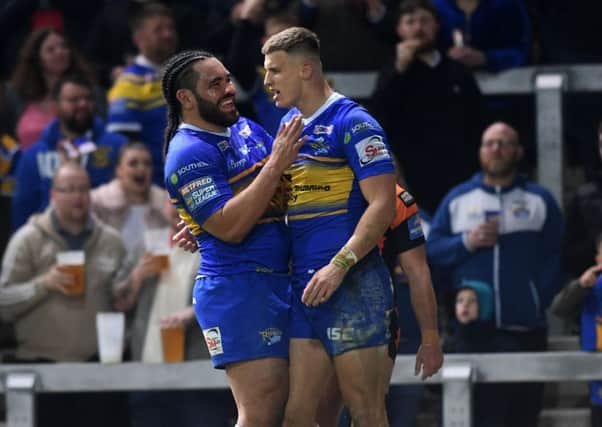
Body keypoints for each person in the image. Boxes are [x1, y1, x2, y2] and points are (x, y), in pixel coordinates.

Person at [261, 26, 396, 426]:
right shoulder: (288, 127)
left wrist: (340, 265)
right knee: (298, 417)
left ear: (305, 70)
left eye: (274, 71)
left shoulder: (353, 122)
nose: (266, 81)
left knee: (366, 414)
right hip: (306, 290)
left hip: (353, 286)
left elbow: (384, 205)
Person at [161, 50, 304, 427]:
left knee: (298, 408)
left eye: (227, 79)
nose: (229, 89)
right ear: (186, 98)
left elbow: (283, 184)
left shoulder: (245, 128)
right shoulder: (187, 152)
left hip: (278, 280)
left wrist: (200, 221)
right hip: (238, 288)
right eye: (215, 84)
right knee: (261, 413)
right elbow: (230, 227)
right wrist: (274, 165)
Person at [427, 122, 564, 427]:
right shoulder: (458, 199)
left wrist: (536, 298)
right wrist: (466, 242)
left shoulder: (539, 201)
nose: (496, 149)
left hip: (525, 331)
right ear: (480, 152)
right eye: (489, 143)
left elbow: (556, 258)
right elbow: (432, 252)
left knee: (523, 418)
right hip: (472, 333)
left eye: (504, 143)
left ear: (518, 151)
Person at [0, 162, 134, 427]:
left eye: (83, 189)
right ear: (53, 194)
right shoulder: (27, 239)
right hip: (41, 371)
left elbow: (121, 302)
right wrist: (43, 284)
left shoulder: (111, 240)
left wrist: (126, 296)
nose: (78, 196)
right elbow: (3, 302)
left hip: (99, 373)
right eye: (69, 189)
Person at [315, 185, 444, 427]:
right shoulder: (307, 183)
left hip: (374, 317)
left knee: (367, 412)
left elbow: (418, 273)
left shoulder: (398, 200)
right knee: (319, 414)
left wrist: (430, 338)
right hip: (316, 312)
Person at [370, 0, 484, 214]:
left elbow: (477, 118)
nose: (418, 28)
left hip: (458, 170)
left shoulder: (457, 71)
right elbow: (379, 114)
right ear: (399, 29)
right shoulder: (391, 72)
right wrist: (399, 69)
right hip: (412, 173)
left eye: (424, 20)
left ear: (437, 25)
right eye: (410, 22)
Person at [11, 74, 126, 230]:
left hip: (105, 237)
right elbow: (23, 208)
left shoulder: (117, 146)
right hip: (50, 240)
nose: (83, 104)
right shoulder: (34, 155)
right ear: (56, 105)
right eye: (74, 100)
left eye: (88, 98)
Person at [107, 2, 178, 186]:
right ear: (139, 39)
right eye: (158, 30)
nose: (168, 34)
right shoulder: (128, 83)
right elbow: (123, 146)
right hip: (158, 187)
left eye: (170, 28)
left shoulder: (185, 73)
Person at [5, 28, 98, 150]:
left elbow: (98, 132)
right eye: (51, 50)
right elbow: (6, 138)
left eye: (64, 46)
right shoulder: (16, 94)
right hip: (28, 165)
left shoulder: (89, 90)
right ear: (37, 58)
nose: (60, 52)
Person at [432, 0, 531, 72]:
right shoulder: (436, 7)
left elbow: (521, 52)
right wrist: (445, 58)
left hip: (501, 91)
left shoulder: (507, 4)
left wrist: (485, 58)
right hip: (448, 90)